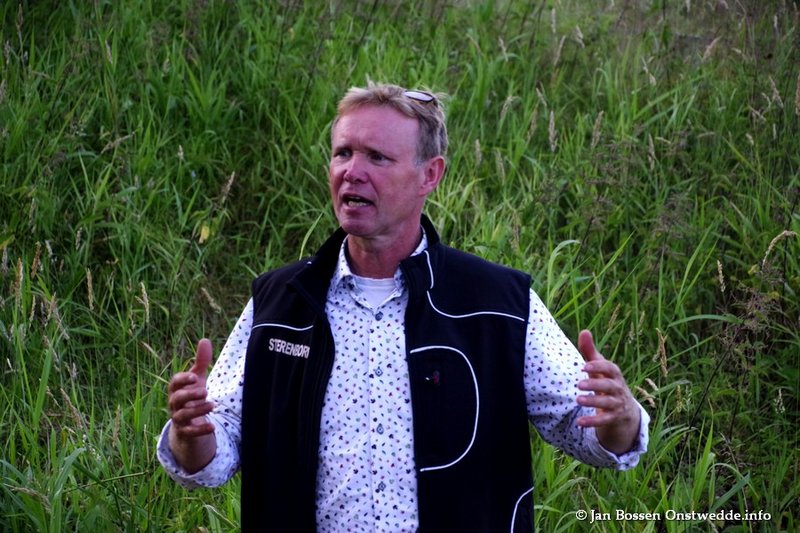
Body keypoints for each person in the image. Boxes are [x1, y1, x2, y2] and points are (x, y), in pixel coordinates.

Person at [158, 83, 650, 532]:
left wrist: (620, 417)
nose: (352, 171)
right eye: (343, 153)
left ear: (429, 175)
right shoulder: (280, 302)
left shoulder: (499, 304)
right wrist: (190, 432)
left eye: (377, 156)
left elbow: (588, 431)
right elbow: (214, 453)